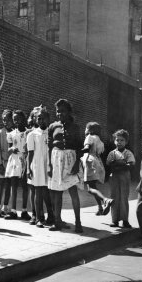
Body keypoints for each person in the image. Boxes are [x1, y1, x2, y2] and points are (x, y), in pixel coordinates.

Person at [47, 99, 83, 233]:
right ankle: (57, 222)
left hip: (70, 159)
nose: (59, 113)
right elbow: (49, 146)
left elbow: (79, 147)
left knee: (73, 192)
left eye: (62, 111)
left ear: (68, 112)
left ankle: (78, 222)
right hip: (56, 159)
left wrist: (76, 164)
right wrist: (49, 166)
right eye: (57, 111)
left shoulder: (75, 127)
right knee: (57, 192)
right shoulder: (52, 126)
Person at [27, 107, 54, 227]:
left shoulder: (51, 133)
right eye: (39, 118)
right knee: (38, 191)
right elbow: (30, 153)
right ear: (36, 120)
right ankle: (38, 217)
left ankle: (51, 215)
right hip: (37, 165)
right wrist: (28, 168)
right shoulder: (32, 134)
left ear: (48, 119)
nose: (41, 120)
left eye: (44, 118)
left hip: (48, 165)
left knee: (48, 192)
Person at [81, 122, 113, 216]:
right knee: (93, 187)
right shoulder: (99, 140)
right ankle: (100, 208)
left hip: (89, 162)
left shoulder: (89, 137)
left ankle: (105, 200)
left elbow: (87, 148)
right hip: (97, 161)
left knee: (90, 189)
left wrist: (77, 152)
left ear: (90, 130)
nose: (85, 130)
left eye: (86, 128)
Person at [106, 129, 135, 228]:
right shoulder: (112, 153)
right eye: (117, 140)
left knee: (124, 198)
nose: (119, 142)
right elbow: (109, 163)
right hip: (114, 177)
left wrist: (119, 164)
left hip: (124, 177)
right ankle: (114, 220)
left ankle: (125, 220)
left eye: (122, 140)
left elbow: (130, 164)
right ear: (114, 141)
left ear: (126, 142)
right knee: (114, 197)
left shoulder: (128, 153)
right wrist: (116, 164)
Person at [4, 110, 29, 220]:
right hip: (14, 160)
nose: (16, 121)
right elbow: (8, 148)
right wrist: (11, 148)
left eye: (18, 118)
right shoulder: (11, 134)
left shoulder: (29, 132)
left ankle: (24, 210)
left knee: (25, 186)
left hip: (25, 159)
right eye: (14, 119)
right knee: (13, 185)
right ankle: (13, 210)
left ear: (23, 119)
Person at [0, 109, 13, 217]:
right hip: (2, 162)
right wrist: (0, 164)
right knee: (0, 184)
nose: (6, 122)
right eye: (4, 120)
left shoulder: (14, 133)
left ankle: (6, 207)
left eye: (8, 120)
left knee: (8, 184)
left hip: (11, 163)